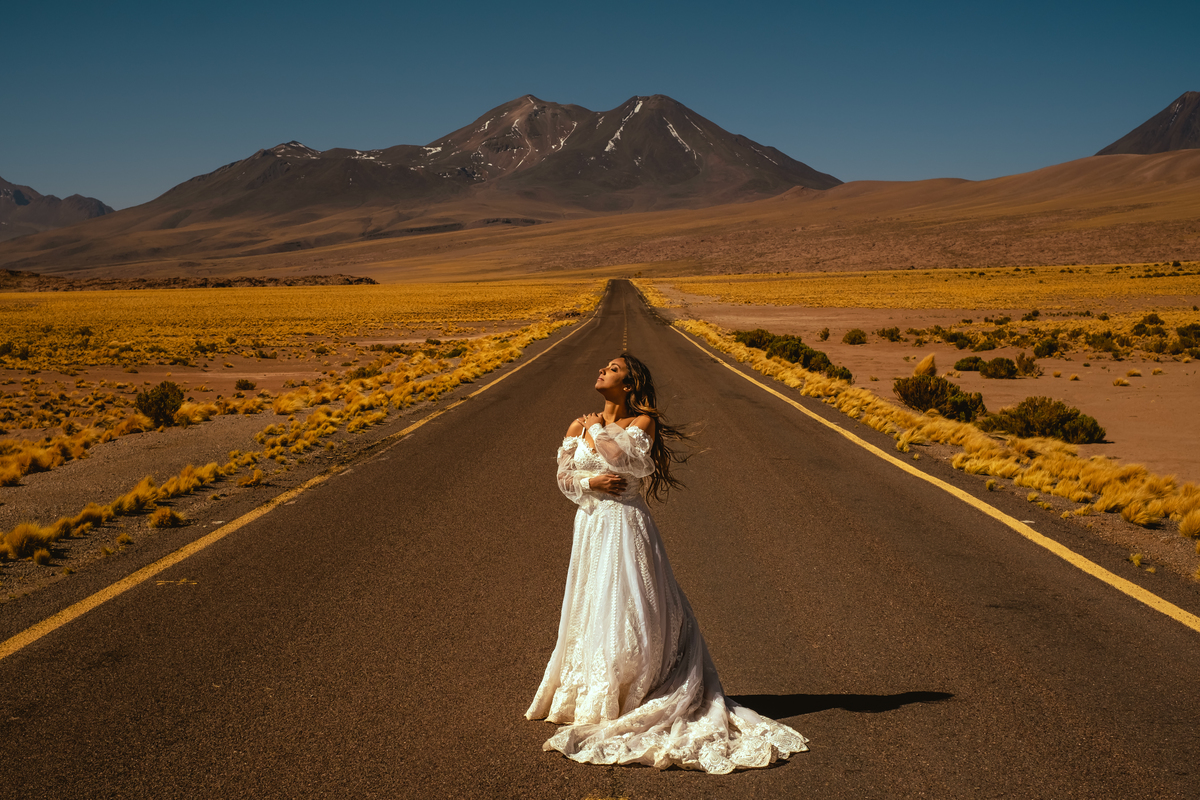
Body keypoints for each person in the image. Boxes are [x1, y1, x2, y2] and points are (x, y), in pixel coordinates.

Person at [525, 353, 808, 774]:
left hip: (625, 524)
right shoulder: (577, 425)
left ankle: (635, 689)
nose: (603, 370)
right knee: (594, 608)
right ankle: (593, 693)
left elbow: (624, 460)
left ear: (629, 384)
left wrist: (597, 430)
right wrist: (591, 481)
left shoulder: (640, 424)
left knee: (632, 608)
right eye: (603, 366)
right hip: (590, 526)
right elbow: (565, 479)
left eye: (614, 369)